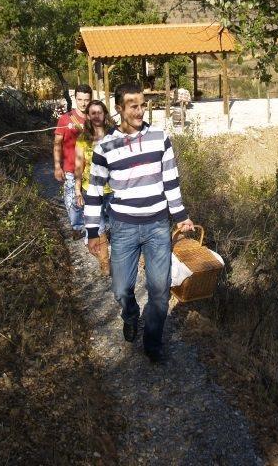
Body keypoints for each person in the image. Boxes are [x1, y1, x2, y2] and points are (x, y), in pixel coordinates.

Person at [86, 82, 194, 364]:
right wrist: (93, 232)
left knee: (160, 290)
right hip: (123, 228)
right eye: (133, 105)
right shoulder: (105, 147)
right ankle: (131, 314)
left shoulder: (160, 137)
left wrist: (180, 216)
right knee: (121, 289)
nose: (139, 110)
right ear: (119, 108)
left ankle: (153, 343)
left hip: (158, 225)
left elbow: (171, 180)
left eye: (142, 104)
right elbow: (95, 191)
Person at [74, 100, 115, 275]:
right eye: (93, 113)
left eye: (100, 112)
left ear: (105, 114)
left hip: (113, 190)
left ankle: (123, 261)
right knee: (99, 229)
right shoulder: (83, 139)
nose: (97, 116)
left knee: (116, 226)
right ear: (89, 116)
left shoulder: (114, 136)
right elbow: (78, 166)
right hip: (91, 190)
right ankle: (105, 264)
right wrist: (77, 190)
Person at [54, 84, 92, 239]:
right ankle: (76, 227)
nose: (83, 103)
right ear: (75, 98)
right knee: (73, 202)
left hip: (92, 170)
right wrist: (57, 166)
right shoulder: (65, 119)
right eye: (80, 99)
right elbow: (57, 143)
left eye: (86, 100)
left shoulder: (95, 118)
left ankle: (96, 231)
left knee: (94, 202)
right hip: (70, 168)